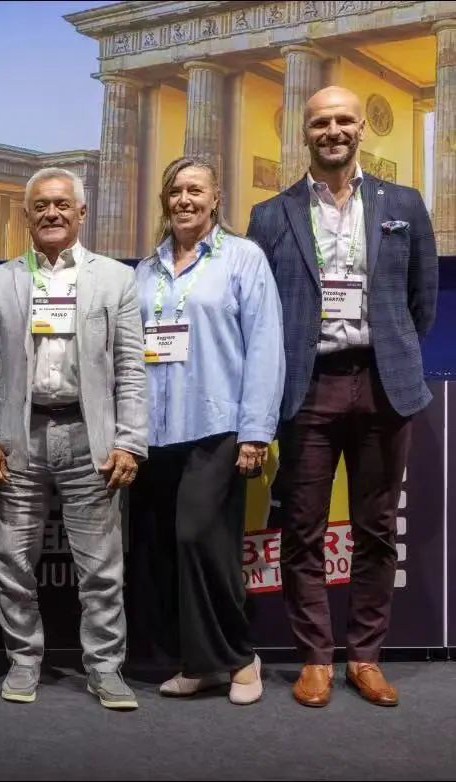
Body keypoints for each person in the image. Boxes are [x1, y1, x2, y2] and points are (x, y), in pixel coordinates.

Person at [247, 86, 437, 708]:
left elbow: (422, 300)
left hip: (383, 383)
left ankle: (365, 656)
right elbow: (262, 312)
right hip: (308, 384)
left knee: (376, 528)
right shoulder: (270, 215)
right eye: (320, 122)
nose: (333, 130)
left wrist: (393, 350)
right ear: (304, 133)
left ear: (361, 129)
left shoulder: (404, 204)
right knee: (302, 528)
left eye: (343, 120)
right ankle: (315, 658)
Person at [0, 168, 147, 709]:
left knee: (101, 568)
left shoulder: (116, 279)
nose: (52, 213)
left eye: (62, 204)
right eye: (41, 205)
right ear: (27, 215)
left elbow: (131, 369)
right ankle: (24, 662)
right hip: (19, 437)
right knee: (11, 561)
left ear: (81, 213)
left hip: (91, 437)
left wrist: (129, 441)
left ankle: (105, 669)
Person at [130, 156, 283, 706]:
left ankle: (241, 658)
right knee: (169, 549)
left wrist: (255, 431)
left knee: (202, 539)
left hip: (218, 426)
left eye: (196, 190)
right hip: (155, 432)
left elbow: (265, 345)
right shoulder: (146, 270)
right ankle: (199, 663)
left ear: (216, 199)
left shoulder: (243, 258)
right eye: (176, 191)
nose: (185, 200)